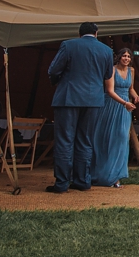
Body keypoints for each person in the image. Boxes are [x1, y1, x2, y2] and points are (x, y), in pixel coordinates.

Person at [46, 21, 114, 193]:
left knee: (64, 140)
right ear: (96, 33)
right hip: (93, 100)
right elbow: (107, 74)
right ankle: (83, 181)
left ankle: (61, 183)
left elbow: (54, 70)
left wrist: (57, 82)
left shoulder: (69, 45)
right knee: (85, 141)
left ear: (79, 33)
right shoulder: (106, 50)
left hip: (69, 97)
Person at [90, 48, 139, 188]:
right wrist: (125, 102)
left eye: (128, 56)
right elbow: (109, 91)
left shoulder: (131, 71)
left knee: (121, 139)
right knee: (106, 138)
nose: (126, 58)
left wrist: (136, 96)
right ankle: (101, 174)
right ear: (119, 58)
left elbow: (130, 88)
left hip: (125, 108)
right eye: (124, 56)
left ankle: (115, 175)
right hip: (111, 106)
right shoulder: (111, 70)